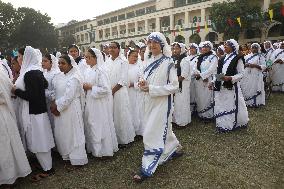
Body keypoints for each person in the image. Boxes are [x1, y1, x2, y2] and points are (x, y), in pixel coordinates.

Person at [133, 32, 182, 182]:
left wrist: (152, 89)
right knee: (162, 128)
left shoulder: (168, 62)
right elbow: (141, 80)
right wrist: (141, 85)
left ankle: (147, 168)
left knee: (150, 132)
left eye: (155, 42)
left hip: (161, 103)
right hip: (148, 102)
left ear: (161, 45)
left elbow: (174, 86)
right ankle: (172, 147)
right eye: (150, 42)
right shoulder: (146, 61)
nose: (152, 45)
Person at [13, 46, 55, 181]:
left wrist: (16, 91)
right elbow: (43, 84)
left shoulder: (30, 73)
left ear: (26, 57)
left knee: (39, 140)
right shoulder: (34, 70)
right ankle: (44, 164)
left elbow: (33, 96)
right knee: (39, 138)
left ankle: (47, 169)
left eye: (20, 56)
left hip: (34, 112)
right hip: (36, 111)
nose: (19, 59)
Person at [50, 55, 88, 166]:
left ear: (70, 64)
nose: (60, 66)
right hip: (60, 109)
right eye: (59, 63)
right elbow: (54, 91)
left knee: (73, 133)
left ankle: (77, 159)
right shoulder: (58, 76)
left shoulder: (74, 77)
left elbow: (69, 97)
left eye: (63, 63)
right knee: (63, 132)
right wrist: (54, 103)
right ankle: (66, 155)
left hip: (71, 108)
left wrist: (56, 106)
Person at [83, 48, 118, 157]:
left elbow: (106, 89)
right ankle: (94, 149)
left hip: (98, 103)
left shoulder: (100, 71)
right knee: (91, 123)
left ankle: (103, 150)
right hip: (90, 100)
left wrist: (90, 87)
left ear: (96, 58)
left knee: (99, 124)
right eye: (86, 57)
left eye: (89, 57)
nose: (86, 59)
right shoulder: (88, 70)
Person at [0, 67, 32, 187]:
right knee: (8, 142)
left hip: (2, 114)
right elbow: (11, 88)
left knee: (5, 144)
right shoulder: (2, 72)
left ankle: (8, 175)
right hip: (5, 112)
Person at [209, 39, 249, 132]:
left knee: (230, 104)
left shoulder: (238, 57)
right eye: (224, 45)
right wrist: (213, 82)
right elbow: (219, 73)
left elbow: (242, 74)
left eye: (227, 45)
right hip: (221, 86)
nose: (225, 46)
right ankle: (222, 124)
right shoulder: (222, 58)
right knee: (221, 104)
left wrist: (231, 78)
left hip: (231, 86)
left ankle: (229, 125)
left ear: (233, 47)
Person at [105, 42, 135, 148]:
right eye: (110, 47)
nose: (111, 49)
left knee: (121, 115)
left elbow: (123, 79)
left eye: (114, 48)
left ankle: (125, 139)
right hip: (109, 92)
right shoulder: (107, 61)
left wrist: (113, 91)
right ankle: (115, 139)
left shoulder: (123, 62)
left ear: (118, 49)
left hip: (119, 92)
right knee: (112, 115)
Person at [194, 41, 218, 121]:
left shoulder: (213, 57)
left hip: (208, 79)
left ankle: (208, 115)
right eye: (203, 47)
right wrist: (199, 74)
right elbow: (195, 68)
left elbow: (212, 69)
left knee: (207, 97)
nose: (204, 48)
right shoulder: (199, 57)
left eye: (206, 47)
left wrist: (203, 75)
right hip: (199, 80)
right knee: (200, 97)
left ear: (210, 48)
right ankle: (201, 114)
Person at [172, 42, 191, 127]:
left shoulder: (185, 60)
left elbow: (184, 75)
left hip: (182, 85)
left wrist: (174, 82)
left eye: (177, 48)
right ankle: (176, 120)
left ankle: (183, 122)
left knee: (182, 103)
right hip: (177, 84)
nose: (175, 50)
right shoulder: (176, 59)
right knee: (176, 103)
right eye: (174, 48)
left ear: (182, 49)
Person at [240, 43, 266, 107]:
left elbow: (264, 66)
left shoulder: (260, 57)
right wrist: (245, 65)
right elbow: (242, 65)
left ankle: (255, 102)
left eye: (255, 48)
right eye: (253, 48)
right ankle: (247, 102)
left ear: (258, 49)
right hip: (247, 75)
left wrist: (254, 65)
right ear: (251, 48)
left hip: (256, 75)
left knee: (254, 88)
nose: (254, 49)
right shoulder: (247, 56)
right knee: (246, 87)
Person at [127, 48, 144, 136]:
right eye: (133, 56)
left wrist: (133, 84)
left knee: (137, 112)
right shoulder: (124, 67)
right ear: (128, 56)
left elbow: (142, 82)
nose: (135, 58)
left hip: (136, 93)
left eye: (137, 56)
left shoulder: (139, 68)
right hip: (126, 94)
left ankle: (138, 132)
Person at [42, 54, 60, 132]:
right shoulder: (44, 73)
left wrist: (44, 92)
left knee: (55, 125)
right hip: (46, 103)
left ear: (52, 62)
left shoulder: (56, 73)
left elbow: (57, 91)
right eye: (42, 61)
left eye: (45, 61)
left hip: (53, 104)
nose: (43, 63)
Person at [187, 43, 199, 115]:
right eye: (190, 48)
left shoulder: (198, 57)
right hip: (187, 79)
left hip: (194, 79)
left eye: (193, 48)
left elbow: (196, 68)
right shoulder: (187, 57)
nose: (191, 49)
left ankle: (194, 109)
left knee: (194, 94)